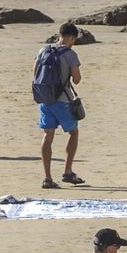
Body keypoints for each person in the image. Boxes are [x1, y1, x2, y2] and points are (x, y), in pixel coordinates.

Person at [35, 23, 84, 190]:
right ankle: (68, 171)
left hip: (44, 98)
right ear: (71, 37)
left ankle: (47, 178)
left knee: (47, 135)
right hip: (62, 100)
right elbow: (76, 79)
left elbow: (35, 73)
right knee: (73, 132)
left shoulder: (43, 50)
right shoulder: (70, 54)